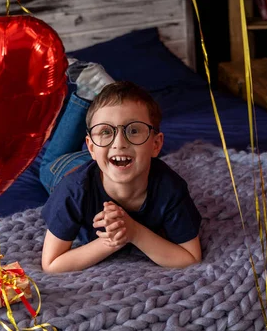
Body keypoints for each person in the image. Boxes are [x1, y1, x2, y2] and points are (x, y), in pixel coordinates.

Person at [39, 60, 202, 273]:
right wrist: (111, 242)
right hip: (66, 169)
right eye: (106, 131)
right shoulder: (72, 191)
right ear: (90, 147)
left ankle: (91, 95)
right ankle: (89, 94)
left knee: (95, 151)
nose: (119, 142)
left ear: (156, 144)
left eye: (133, 131)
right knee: (48, 164)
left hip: (107, 161)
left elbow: (190, 257)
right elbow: (52, 264)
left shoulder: (171, 188)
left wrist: (133, 232)